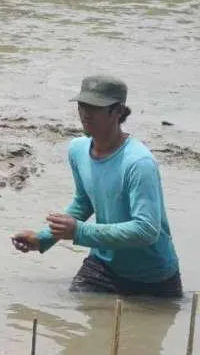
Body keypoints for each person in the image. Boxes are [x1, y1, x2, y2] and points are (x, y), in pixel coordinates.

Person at [12, 75, 181, 297]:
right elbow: (83, 201)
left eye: (95, 107)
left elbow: (147, 230)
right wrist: (42, 239)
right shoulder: (78, 150)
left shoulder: (139, 163)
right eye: (82, 105)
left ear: (118, 112)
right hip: (103, 267)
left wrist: (79, 231)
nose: (85, 113)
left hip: (153, 278)